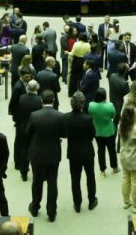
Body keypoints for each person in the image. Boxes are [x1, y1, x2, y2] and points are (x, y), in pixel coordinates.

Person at [26, 90, 64, 222]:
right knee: (52, 182)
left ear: (41, 101)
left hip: (37, 153)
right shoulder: (60, 116)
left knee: (37, 181)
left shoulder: (34, 115)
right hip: (53, 153)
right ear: (53, 100)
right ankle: (52, 212)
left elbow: (27, 132)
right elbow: (64, 133)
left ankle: (35, 207)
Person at [64, 91, 98, 212]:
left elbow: (65, 134)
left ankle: (77, 204)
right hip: (87, 151)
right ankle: (92, 200)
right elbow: (92, 134)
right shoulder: (88, 118)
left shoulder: (66, 117)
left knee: (75, 178)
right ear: (83, 104)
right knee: (90, 176)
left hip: (73, 152)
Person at [12, 74, 41, 181]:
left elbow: (17, 112)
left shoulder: (21, 98)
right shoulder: (40, 100)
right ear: (37, 88)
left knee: (24, 150)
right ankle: (37, 173)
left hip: (23, 128)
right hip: (35, 130)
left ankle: (24, 172)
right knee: (36, 151)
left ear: (27, 88)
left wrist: (17, 122)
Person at [118, 106, 136, 212]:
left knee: (125, 179)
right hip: (134, 160)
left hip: (124, 158)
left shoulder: (121, 126)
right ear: (133, 116)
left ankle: (126, 202)